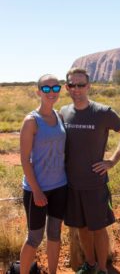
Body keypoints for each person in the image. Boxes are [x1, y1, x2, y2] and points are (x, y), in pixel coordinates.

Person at [60, 68, 120, 274]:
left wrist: (111, 161)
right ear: (67, 87)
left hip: (95, 184)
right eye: (72, 85)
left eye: (81, 85)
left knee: (98, 228)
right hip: (72, 184)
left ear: (89, 86)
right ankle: (90, 264)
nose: (77, 89)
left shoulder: (103, 112)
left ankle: (102, 268)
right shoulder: (63, 112)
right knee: (81, 227)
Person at [20, 74, 67, 274]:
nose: (51, 93)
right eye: (46, 89)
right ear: (38, 91)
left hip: (60, 186)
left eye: (55, 88)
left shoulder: (60, 116)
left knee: (55, 234)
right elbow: (24, 160)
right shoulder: (31, 121)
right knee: (35, 238)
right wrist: (37, 191)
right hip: (36, 189)